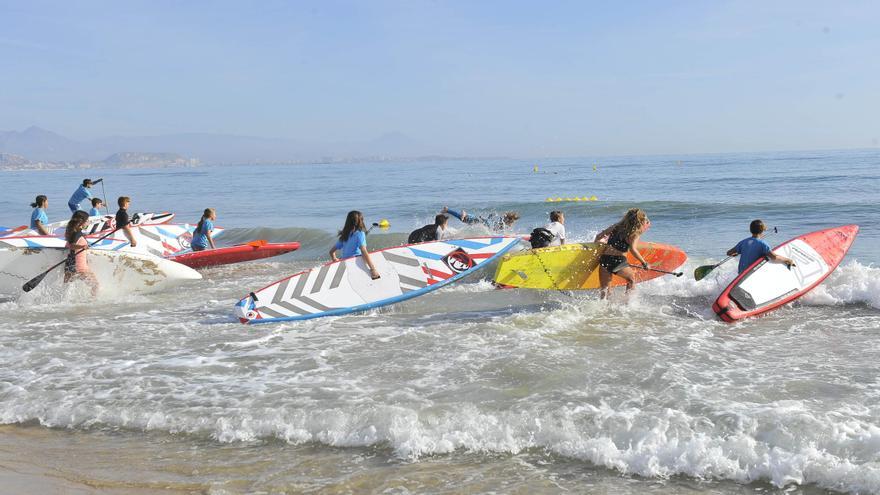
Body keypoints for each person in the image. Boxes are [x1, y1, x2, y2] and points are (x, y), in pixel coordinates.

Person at [594, 208, 651, 299]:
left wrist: (599, 247)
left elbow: (598, 237)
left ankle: (602, 311)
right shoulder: (634, 233)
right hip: (618, 261)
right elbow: (633, 249)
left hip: (605, 260)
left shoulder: (616, 226)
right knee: (631, 279)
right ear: (639, 221)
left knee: (605, 293)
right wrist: (644, 263)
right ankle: (628, 305)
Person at [726, 219, 795, 273]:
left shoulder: (743, 242)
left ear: (750, 230)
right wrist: (788, 260)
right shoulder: (762, 244)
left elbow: (729, 253)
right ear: (762, 230)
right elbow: (774, 257)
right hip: (751, 273)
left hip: (741, 273)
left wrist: (735, 254)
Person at [329, 210, 380, 280]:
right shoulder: (360, 233)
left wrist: (335, 259)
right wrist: (373, 269)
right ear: (360, 221)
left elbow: (331, 252)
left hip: (345, 262)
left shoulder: (344, 234)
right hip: (356, 262)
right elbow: (364, 251)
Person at [63, 210, 99, 295]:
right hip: (79, 266)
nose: (88, 222)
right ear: (81, 222)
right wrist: (82, 246)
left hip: (70, 264)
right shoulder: (77, 234)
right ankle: (91, 304)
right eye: (87, 220)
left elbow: (67, 245)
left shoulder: (71, 232)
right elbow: (72, 245)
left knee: (65, 288)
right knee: (95, 286)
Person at [442, 206, 519, 232]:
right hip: (483, 222)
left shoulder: (503, 221)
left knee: (466, 219)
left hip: (483, 221)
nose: (512, 224)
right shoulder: (504, 224)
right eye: (512, 222)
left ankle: (447, 210)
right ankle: (465, 214)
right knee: (465, 219)